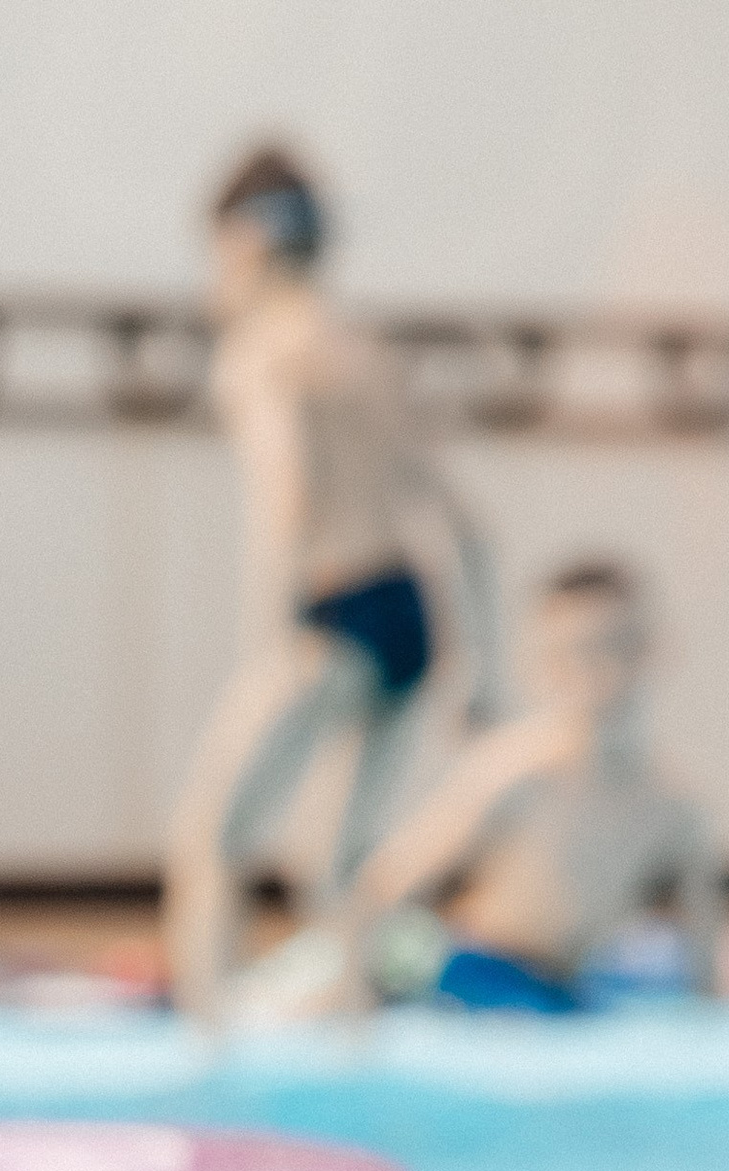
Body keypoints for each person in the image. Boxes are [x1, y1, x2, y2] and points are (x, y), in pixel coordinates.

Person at [164, 146, 503, 1025]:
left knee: (211, 839)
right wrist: (482, 669)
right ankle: (356, 1044)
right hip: (411, 616)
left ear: (241, 245)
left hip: (333, 606)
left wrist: (273, 639)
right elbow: (465, 524)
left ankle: (203, 1059)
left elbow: (288, 497)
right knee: (341, 863)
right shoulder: (364, 347)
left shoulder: (260, 349)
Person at [355, 558, 727, 1012]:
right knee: (412, 953)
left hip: (561, 990)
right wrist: (361, 981)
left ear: (651, 650)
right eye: (570, 655)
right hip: (472, 971)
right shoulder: (515, 773)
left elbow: (707, 950)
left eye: (613, 647)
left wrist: (711, 1028)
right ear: (543, 667)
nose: (593, 675)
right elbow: (391, 880)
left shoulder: (675, 806)